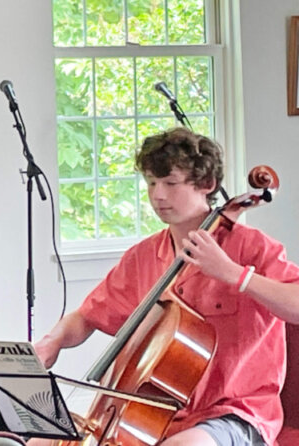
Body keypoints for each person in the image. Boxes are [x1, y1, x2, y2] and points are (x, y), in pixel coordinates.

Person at [33, 127, 299, 446]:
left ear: (207, 185)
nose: (157, 195)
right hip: (149, 413)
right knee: (41, 442)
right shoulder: (143, 256)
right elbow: (87, 316)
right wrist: (52, 342)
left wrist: (234, 274)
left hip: (233, 414)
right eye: (151, 183)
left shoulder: (252, 248)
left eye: (171, 183)